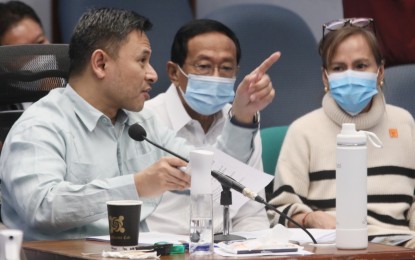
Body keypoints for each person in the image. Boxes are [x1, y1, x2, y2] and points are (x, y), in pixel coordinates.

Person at [0, 7, 279, 240]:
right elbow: (41, 208)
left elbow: (211, 175)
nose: (153, 74)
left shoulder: (141, 123)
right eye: (142, 60)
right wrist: (136, 185)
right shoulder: (40, 125)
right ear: (100, 63)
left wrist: (242, 115)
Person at [268, 18, 415, 248]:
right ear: (325, 77)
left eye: (360, 66)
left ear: (380, 72)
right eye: (338, 68)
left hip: (401, 247)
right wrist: (308, 218)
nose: (350, 75)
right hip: (331, 247)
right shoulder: (303, 130)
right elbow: (278, 211)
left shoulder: (405, 123)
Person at [145, 19, 268, 234]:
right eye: (204, 66)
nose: (216, 77)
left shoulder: (243, 119)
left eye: (226, 68)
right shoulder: (144, 122)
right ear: (174, 72)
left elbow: (251, 214)